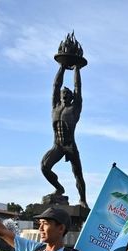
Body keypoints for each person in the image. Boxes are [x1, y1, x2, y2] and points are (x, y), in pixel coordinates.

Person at [41, 64, 88, 208]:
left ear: (72, 97)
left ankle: (83, 200)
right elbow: (56, 85)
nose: (65, 95)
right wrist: (61, 67)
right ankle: (59, 188)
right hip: (57, 145)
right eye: (63, 94)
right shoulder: (55, 107)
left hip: (70, 146)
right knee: (44, 166)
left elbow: (78, 87)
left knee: (77, 173)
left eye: (68, 94)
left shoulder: (75, 108)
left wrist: (77, 69)